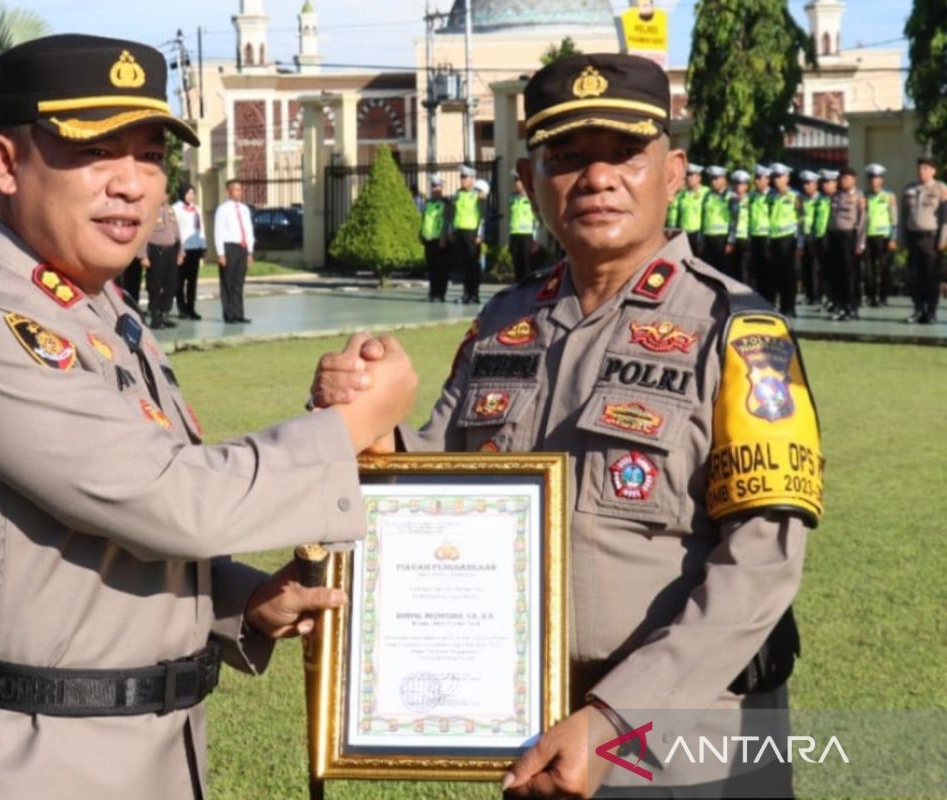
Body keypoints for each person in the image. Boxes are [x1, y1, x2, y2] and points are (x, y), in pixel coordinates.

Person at [0, 33, 419, 800]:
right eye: (95, 150)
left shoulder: (101, 313)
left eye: (148, 155)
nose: (132, 184)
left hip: (154, 746)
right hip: (36, 757)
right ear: (5, 163)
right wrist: (354, 423)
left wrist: (243, 603)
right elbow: (174, 499)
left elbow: (102, 532)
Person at [314, 52, 821, 799]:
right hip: (532, 734)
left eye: (626, 154)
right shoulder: (502, 324)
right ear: (527, 183)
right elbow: (434, 477)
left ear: (674, 171)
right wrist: (362, 422)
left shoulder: (738, 331)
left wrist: (618, 722)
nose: (598, 178)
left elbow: (765, 557)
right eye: (567, 157)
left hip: (688, 743)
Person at [900, 156, 947, 324]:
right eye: (920, 168)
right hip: (913, 237)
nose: (922, 171)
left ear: (933, 171)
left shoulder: (941, 189)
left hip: (931, 238)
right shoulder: (909, 189)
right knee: (914, 276)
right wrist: (902, 238)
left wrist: (943, 239)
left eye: (926, 168)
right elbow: (903, 215)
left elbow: (945, 217)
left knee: (931, 277)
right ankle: (918, 309)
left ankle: (931, 311)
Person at [827, 166, 867, 320]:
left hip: (850, 237)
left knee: (851, 274)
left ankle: (852, 306)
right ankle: (839, 305)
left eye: (847, 178)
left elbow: (863, 221)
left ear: (854, 180)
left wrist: (860, 243)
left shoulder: (859, 197)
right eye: (842, 178)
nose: (843, 181)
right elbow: (831, 217)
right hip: (835, 236)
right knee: (836, 274)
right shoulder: (836, 196)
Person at [214, 179, 254, 323]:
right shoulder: (223, 209)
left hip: (242, 248)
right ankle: (229, 314)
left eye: (240, 189)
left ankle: (239, 313)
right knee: (228, 282)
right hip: (229, 247)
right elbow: (218, 231)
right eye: (235, 189)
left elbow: (249, 230)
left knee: (239, 282)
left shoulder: (244, 209)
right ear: (229, 192)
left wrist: (250, 251)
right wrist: (220, 253)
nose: (239, 192)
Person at [767, 162, 802, 316]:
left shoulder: (795, 196)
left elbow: (802, 220)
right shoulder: (771, 196)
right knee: (776, 274)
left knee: (789, 274)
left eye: (780, 177)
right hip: (774, 239)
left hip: (789, 239)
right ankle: (778, 306)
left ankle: (790, 306)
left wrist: (800, 242)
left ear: (787, 178)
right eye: (774, 177)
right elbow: (768, 218)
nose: (777, 180)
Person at [142, 199, 182, 329]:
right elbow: (142, 234)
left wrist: (181, 251)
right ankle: (155, 317)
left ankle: (164, 314)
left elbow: (177, 231)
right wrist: (143, 255)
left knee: (171, 285)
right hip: (156, 252)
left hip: (171, 251)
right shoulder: (149, 210)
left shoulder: (170, 209)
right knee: (155, 285)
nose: (164, 196)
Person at [864, 163, 898, 307]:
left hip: (884, 237)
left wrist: (893, 237)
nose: (874, 181)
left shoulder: (889, 196)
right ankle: (871, 296)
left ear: (882, 180)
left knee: (885, 269)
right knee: (868, 269)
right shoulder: (864, 196)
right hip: (868, 236)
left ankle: (883, 296)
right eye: (871, 178)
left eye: (877, 178)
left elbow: (894, 219)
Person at [452, 164, 486, 304]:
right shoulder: (458, 194)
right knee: (464, 265)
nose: (462, 180)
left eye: (465, 177)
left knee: (473, 264)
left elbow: (482, 216)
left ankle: (474, 294)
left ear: (472, 178)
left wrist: (480, 234)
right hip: (460, 231)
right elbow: (455, 213)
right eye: (461, 177)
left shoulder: (478, 194)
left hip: (472, 233)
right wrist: (451, 231)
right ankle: (466, 294)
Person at [172, 182, 205, 320]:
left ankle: (191, 308)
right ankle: (182, 308)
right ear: (183, 193)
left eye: (193, 193)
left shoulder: (197, 209)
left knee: (193, 281)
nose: (191, 195)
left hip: (195, 249)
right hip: (182, 250)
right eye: (189, 193)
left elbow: (201, 228)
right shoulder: (175, 209)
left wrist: (204, 245)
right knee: (179, 281)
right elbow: (175, 230)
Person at [420, 175, 452, 300]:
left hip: (441, 239)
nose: (435, 189)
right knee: (432, 268)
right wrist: (421, 233)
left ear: (442, 188)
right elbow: (424, 219)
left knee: (442, 268)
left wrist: (444, 236)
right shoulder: (428, 203)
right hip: (429, 238)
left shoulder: (446, 203)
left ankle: (441, 293)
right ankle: (432, 293)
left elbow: (447, 220)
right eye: (433, 186)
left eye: (437, 186)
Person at [699, 165, 731, 276]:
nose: (713, 181)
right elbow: (703, 216)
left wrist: (731, 240)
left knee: (723, 270)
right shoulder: (707, 195)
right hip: (708, 238)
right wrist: (701, 237)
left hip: (722, 238)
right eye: (711, 178)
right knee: (708, 270)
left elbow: (735, 220)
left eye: (716, 178)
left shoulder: (730, 196)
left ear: (724, 179)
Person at [813, 169, 838, 310]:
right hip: (820, 237)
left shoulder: (838, 198)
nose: (825, 185)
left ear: (835, 183)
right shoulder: (820, 199)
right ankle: (824, 297)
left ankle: (834, 299)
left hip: (832, 238)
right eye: (824, 182)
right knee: (821, 271)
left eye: (829, 182)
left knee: (833, 271)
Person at [747, 164, 773, 292]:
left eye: (760, 178)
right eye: (756, 178)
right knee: (755, 271)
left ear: (767, 179)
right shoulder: (752, 196)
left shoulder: (772, 196)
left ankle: (769, 296)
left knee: (768, 270)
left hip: (767, 237)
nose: (756, 181)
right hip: (754, 236)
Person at [509, 173, 539, 281]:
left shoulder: (531, 199)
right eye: (516, 181)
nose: (517, 184)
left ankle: (529, 291)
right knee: (517, 265)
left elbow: (536, 221)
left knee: (527, 266)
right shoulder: (512, 198)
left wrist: (535, 239)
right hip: (514, 234)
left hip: (527, 235)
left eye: (520, 181)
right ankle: (519, 290)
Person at [798, 170, 821, 305]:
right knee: (805, 267)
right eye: (804, 183)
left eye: (809, 183)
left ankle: (817, 295)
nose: (806, 186)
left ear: (815, 184)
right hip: (804, 236)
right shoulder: (800, 199)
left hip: (816, 237)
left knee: (816, 268)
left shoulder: (821, 199)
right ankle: (809, 294)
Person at [724, 168, 751, 282]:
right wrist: (730, 240)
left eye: (742, 183)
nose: (739, 186)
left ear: (747, 186)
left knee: (745, 269)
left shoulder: (751, 199)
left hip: (746, 239)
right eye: (736, 183)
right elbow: (731, 220)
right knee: (732, 269)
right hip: (733, 239)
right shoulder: (729, 199)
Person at [674, 162, 707, 252]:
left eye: (691, 175)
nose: (688, 178)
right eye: (688, 175)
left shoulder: (706, 193)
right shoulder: (682, 194)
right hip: (683, 232)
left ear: (699, 178)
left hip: (698, 233)